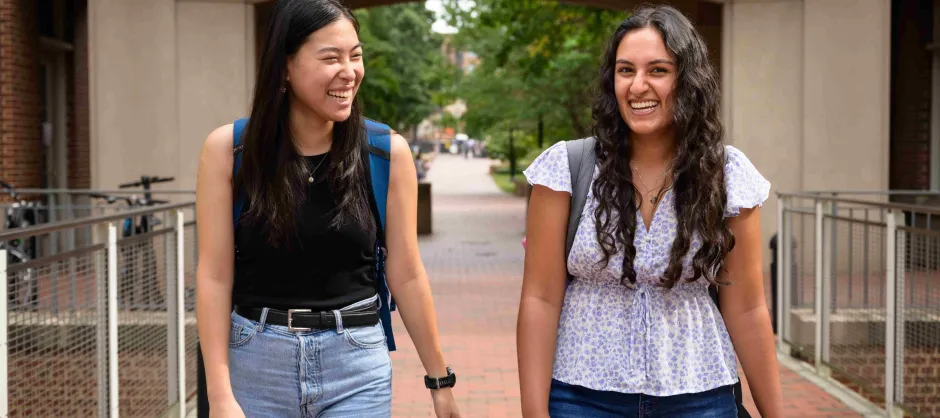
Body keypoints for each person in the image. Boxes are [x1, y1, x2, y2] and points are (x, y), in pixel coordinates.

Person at [194, 1, 460, 417]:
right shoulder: (230, 151)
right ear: (285, 66)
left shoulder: (385, 153)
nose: (349, 72)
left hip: (356, 367)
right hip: (256, 367)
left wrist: (439, 382)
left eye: (355, 55)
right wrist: (220, 395)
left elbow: (407, 273)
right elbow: (213, 277)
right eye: (331, 58)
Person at [517, 5, 783, 417]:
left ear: (688, 80)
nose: (638, 86)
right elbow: (540, 299)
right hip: (582, 398)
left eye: (658, 70)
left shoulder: (727, 174)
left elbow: (747, 308)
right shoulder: (565, 168)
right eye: (625, 70)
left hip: (700, 396)